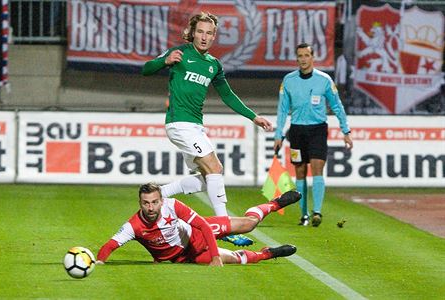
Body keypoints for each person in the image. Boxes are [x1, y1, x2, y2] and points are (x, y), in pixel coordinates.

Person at [142, 12, 273, 246]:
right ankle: (225, 226)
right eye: (200, 32)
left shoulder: (213, 65)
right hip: (178, 124)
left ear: (214, 37)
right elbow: (146, 69)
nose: (204, 37)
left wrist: (254, 117)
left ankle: (162, 192)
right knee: (214, 167)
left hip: (195, 126)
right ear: (193, 33)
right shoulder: (181, 53)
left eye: (209, 33)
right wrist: (164, 61)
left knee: (210, 174)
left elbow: (228, 95)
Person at [97, 183, 301, 266]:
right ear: (140, 203)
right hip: (185, 256)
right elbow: (110, 245)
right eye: (145, 203)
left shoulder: (173, 205)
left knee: (249, 224)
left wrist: (214, 256)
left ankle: (275, 204)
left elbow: (203, 225)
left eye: (154, 202)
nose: (150, 207)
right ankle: (269, 253)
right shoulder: (133, 226)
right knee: (236, 259)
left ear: (161, 200)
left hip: (198, 234)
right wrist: (98, 262)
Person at [274, 43, 353, 227]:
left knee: (317, 168)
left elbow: (337, 106)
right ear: (297, 58)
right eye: (299, 55)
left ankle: (317, 211)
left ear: (312, 57)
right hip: (296, 131)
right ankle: (304, 215)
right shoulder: (289, 80)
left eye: (306, 55)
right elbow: (282, 109)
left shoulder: (324, 80)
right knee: (300, 172)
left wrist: (345, 130)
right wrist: (278, 134)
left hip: (317, 130)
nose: (303, 59)